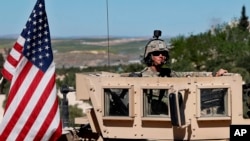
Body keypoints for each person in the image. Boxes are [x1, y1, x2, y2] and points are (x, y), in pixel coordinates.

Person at [140, 30, 228, 77]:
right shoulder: (142, 76)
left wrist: (215, 74)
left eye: (163, 53)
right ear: (149, 56)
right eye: (156, 53)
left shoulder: (169, 73)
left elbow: (192, 75)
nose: (161, 56)